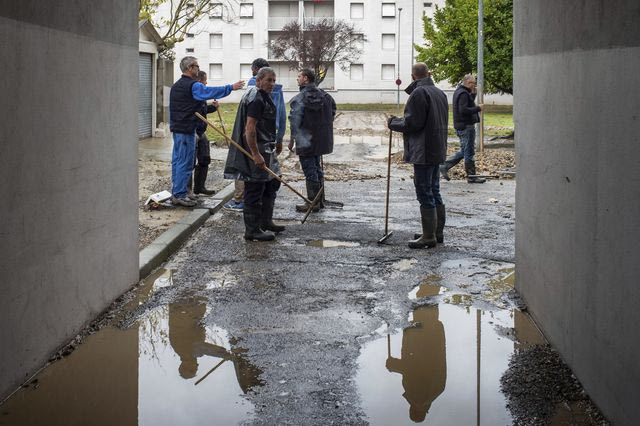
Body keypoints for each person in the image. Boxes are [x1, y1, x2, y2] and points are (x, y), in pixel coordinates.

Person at [387, 63, 448, 249]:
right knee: (434, 189)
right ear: (427, 74)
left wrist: (393, 123)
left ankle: (429, 236)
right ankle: (436, 232)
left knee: (424, 191)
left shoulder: (419, 93)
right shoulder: (439, 93)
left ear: (413, 76)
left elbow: (413, 123)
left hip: (424, 150)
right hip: (436, 148)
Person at [169, 56, 244, 207]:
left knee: (178, 162)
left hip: (178, 128)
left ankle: (180, 192)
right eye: (196, 66)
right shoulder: (193, 85)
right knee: (185, 162)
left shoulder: (177, 85)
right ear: (190, 68)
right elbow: (208, 91)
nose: (198, 68)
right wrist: (230, 87)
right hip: (186, 129)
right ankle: (179, 194)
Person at [223, 67, 284, 241]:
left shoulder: (265, 97)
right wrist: (256, 154)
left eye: (274, 80)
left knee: (271, 184)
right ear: (258, 81)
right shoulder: (256, 99)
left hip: (267, 148)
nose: (272, 84)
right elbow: (249, 130)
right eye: (268, 80)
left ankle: (265, 222)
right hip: (257, 149)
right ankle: (252, 230)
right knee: (255, 188)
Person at [288, 68, 336, 212]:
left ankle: (312, 202)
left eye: (299, 76)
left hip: (306, 141)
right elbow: (332, 111)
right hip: (320, 141)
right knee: (316, 169)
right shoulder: (326, 97)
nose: (298, 79)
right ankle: (319, 200)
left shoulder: (299, 98)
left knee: (310, 170)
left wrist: (292, 140)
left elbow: (294, 121)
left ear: (306, 79)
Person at [439, 74, 486, 184]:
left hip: (462, 125)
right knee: (469, 152)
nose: (473, 85)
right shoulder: (463, 93)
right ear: (466, 82)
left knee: (465, 150)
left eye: (474, 83)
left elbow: (466, 104)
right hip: (466, 126)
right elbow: (464, 110)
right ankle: (471, 176)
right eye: (471, 83)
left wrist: (473, 94)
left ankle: (444, 166)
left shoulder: (461, 92)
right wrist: (478, 108)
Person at [190, 70, 218, 196]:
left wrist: (213, 107)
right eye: (205, 81)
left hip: (202, 132)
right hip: (192, 132)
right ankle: (187, 191)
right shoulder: (193, 93)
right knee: (189, 163)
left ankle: (200, 187)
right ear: (200, 81)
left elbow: (203, 110)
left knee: (205, 159)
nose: (206, 83)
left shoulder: (201, 96)